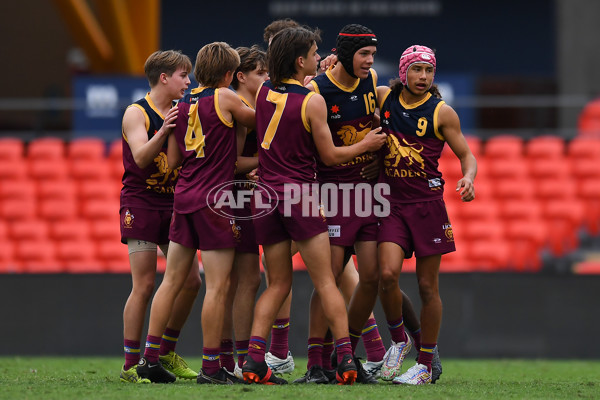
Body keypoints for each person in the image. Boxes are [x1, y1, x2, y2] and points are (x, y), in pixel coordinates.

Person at [241, 26, 387, 386]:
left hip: (266, 197)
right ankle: (347, 361)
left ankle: (254, 361)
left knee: (275, 285)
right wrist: (366, 144)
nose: (320, 57)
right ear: (300, 60)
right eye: (314, 52)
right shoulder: (312, 100)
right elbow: (331, 155)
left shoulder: (262, 92)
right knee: (326, 282)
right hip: (300, 196)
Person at [136, 42, 255, 384]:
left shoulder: (183, 103)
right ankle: (211, 367)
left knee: (171, 281)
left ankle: (149, 359)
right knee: (218, 286)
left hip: (184, 197)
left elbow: (173, 161)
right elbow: (264, 119)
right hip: (215, 200)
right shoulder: (226, 97)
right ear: (231, 74)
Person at [376, 45, 476, 385]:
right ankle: (399, 339)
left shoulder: (442, 111)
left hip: (427, 206)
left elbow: (466, 154)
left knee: (426, 286)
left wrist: (469, 177)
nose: (423, 77)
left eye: (428, 71)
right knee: (385, 275)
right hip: (390, 204)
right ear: (403, 71)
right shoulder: (383, 98)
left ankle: (425, 364)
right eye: (416, 70)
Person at [118, 50, 201, 384]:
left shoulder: (184, 111)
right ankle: (130, 365)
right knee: (145, 284)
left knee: (192, 281)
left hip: (174, 203)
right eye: (183, 75)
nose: (188, 82)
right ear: (164, 77)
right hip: (140, 204)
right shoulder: (136, 113)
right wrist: (164, 130)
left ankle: (164, 352)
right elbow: (139, 158)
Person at [220, 45, 268, 380]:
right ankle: (237, 358)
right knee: (246, 279)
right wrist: (268, 162)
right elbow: (234, 162)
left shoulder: (244, 103)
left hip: (243, 198)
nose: (266, 79)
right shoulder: (239, 107)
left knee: (238, 280)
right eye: (260, 74)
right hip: (236, 198)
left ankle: (227, 358)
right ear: (241, 76)